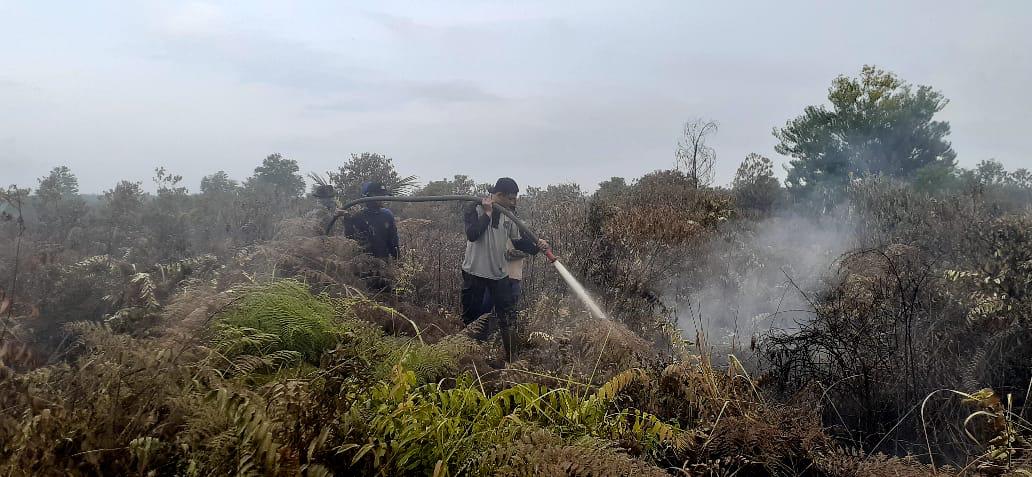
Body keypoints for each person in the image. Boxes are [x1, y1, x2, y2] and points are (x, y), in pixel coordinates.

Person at [461, 177, 548, 361]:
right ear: (498, 195)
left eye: (515, 198)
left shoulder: (509, 215)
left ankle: (513, 363)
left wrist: (536, 246)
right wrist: (487, 213)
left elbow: (517, 241)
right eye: (510, 198)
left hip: (499, 275)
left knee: (508, 319)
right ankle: (472, 360)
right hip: (474, 273)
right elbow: (472, 235)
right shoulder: (474, 207)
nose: (513, 202)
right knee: (473, 321)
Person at [337, 182, 400, 260]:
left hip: (384, 263)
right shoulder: (359, 216)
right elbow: (351, 239)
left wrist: (397, 261)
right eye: (378, 194)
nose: (382, 198)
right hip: (365, 265)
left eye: (383, 195)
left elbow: (393, 242)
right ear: (368, 196)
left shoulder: (387, 215)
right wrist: (347, 217)